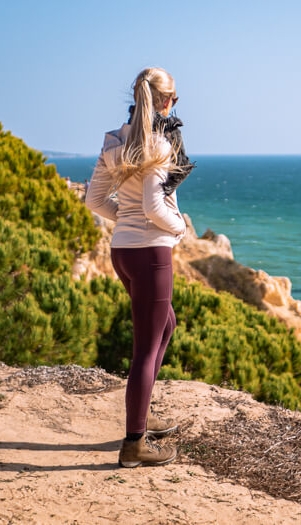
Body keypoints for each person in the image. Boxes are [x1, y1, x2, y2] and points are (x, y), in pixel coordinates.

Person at [85, 67, 188, 468]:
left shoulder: (115, 140)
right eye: (174, 98)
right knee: (146, 348)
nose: (174, 104)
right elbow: (153, 206)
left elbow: (94, 200)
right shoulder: (158, 144)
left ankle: (141, 414)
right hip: (150, 253)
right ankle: (134, 445)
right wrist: (180, 227)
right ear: (164, 100)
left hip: (123, 251)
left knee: (166, 325)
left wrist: (125, 224)